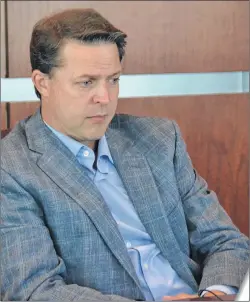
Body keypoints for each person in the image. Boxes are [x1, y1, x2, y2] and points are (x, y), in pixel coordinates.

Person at [1, 8, 249, 302]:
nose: (105, 98)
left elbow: (226, 241)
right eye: (86, 82)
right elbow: (35, 291)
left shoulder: (158, 139)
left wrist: (213, 296)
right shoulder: (11, 167)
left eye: (114, 80)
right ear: (43, 83)